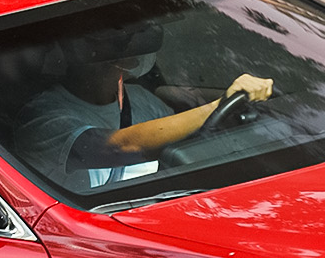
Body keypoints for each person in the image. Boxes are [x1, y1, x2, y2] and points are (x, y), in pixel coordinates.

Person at [14, 23, 272, 191]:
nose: (110, 53)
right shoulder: (44, 117)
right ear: (67, 52)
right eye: (95, 43)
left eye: (123, 40)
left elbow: (180, 144)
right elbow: (122, 145)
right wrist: (218, 104)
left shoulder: (139, 98)